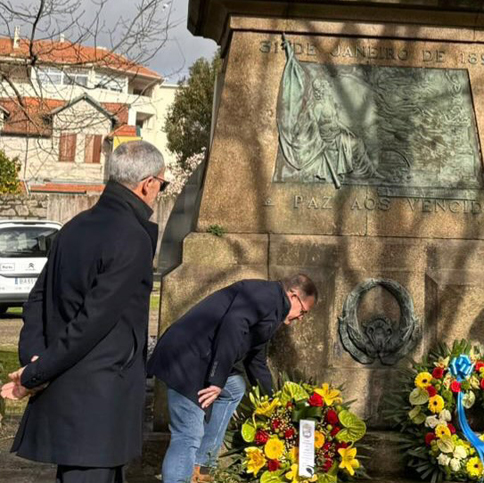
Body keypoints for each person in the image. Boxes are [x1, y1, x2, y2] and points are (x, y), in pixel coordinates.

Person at [0, 139, 166, 483]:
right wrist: (34, 373)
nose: (159, 192)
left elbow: (37, 299)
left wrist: (34, 357)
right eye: (162, 185)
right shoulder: (132, 237)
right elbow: (93, 322)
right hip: (100, 400)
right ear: (147, 183)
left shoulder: (74, 226)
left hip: (74, 393)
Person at [149, 273, 318, 483]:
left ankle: (200, 467)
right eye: (303, 311)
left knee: (235, 388)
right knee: (188, 433)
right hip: (186, 358)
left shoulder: (272, 308)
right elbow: (233, 326)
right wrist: (217, 381)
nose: (301, 318)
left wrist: (274, 403)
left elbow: (256, 361)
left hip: (203, 360)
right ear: (293, 296)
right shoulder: (264, 295)